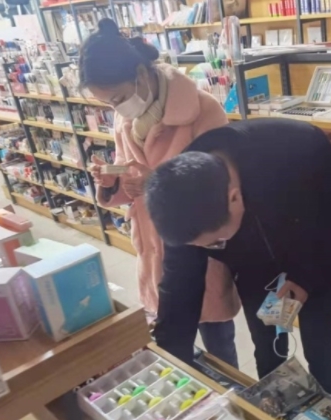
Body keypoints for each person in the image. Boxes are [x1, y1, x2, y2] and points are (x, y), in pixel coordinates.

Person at [144, 118, 331, 396]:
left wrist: (305, 275)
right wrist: (169, 364)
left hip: (314, 256)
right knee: (267, 349)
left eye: (216, 243)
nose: (211, 249)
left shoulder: (301, 147)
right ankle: (274, 410)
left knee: (321, 347)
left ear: (234, 198)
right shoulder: (180, 196)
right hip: (253, 268)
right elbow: (179, 285)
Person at [80, 19, 241, 368]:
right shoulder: (124, 120)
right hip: (153, 244)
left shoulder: (202, 110)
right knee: (172, 342)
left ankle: (230, 395)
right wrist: (110, 181)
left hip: (197, 246)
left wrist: (157, 182)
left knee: (219, 347)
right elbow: (130, 179)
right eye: (107, 103)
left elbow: (222, 188)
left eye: (118, 98)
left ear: (140, 74)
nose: (116, 109)